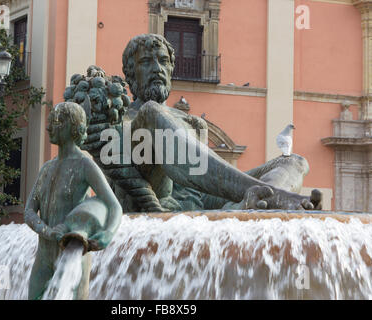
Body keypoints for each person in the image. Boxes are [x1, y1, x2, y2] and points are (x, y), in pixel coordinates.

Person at [120, 34, 320, 211]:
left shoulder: (192, 123)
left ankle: (255, 203)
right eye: (146, 62)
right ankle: (272, 195)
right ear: (130, 73)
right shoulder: (121, 119)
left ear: (171, 69)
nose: (157, 69)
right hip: (152, 203)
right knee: (151, 111)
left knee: (294, 161)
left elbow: (199, 191)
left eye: (163, 61)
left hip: (202, 204)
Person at [24, 102, 122, 300]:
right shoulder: (46, 169)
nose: (49, 126)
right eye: (51, 121)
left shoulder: (84, 164)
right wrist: (48, 231)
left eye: (57, 121)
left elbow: (113, 205)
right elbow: (28, 211)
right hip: (43, 257)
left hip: (73, 254)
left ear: (73, 127)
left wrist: (107, 233)